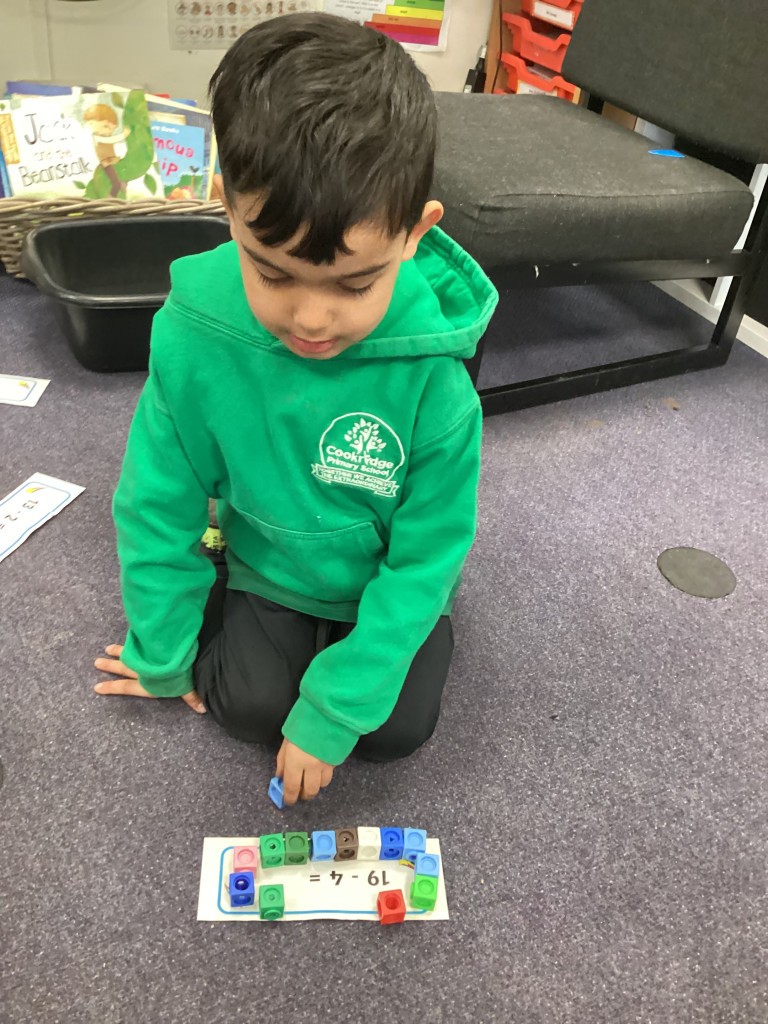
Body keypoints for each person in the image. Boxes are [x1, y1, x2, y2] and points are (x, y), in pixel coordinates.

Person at [93, 13, 498, 806]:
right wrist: (161, 647)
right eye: (273, 273)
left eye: (355, 283)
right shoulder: (191, 337)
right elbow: (154, 501)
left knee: (395, 729)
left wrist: (337, 707)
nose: (312, 320)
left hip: (378, 575)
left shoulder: (435, 379)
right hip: (270, 566)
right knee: (247, 707)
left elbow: (428, 556)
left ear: (415, 235)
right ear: (227, 210)